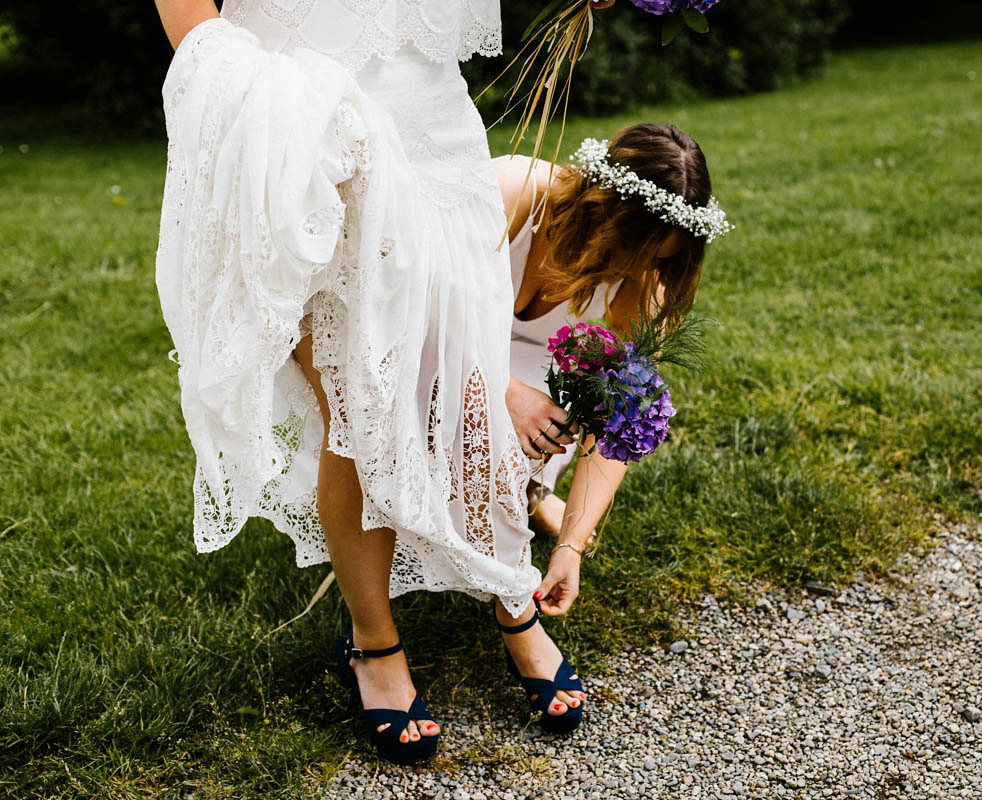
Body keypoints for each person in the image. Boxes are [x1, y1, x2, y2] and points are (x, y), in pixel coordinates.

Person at [151, 0, 611, 766]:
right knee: (356, 405)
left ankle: (514, 603)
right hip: (301, 118)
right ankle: (375, 644)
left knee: (464, 379)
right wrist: (230, 84)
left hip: (430, 115)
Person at [498, 124, 725, 555]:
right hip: (439, 350)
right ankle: (525, 496)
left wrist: (572, 543)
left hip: (534, 379)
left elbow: (619, 422)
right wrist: (502, 390)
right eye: (631, 246)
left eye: (658, 258)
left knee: (542, 427)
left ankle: (530, 492)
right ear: (601, 206)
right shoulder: (515, 191)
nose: (640, 268)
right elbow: (416, 319)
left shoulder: (643, 279)